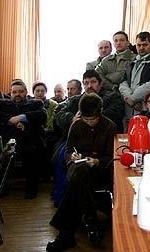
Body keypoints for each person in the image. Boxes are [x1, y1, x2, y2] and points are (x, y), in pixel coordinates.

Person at [47, 93, 117, 252]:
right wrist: (72, 157)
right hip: (77, 165)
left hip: (98, 168)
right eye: (85, 119)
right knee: (80, 173)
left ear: (100, 113)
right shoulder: (77, 125)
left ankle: (66, 234)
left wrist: (98, 161)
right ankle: (91, 221)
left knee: (79, 180)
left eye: (92, 119)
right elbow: (68, 150)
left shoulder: (110, 126)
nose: (89, 123)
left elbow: (111, 156)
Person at [0, 80, 47, 199]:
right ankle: (2, 188)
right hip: (9, 139)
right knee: (0, 153)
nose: (17, 94)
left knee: (32, 151)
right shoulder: (2, 104)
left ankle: (31, 188)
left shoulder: (36, 103)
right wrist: (11, 120)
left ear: (26, 92)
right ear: (10, 93)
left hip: (30, 138)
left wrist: (23, 118)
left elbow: (42, 116)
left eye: (21, 92)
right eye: (14, 92)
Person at [119, 31, 150, 127]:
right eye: (139, 45)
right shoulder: (132, 62)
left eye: (145, 45)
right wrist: (128, 97)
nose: (141, 48)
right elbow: (123, 82)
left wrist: (133, 98)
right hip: (130, 109)